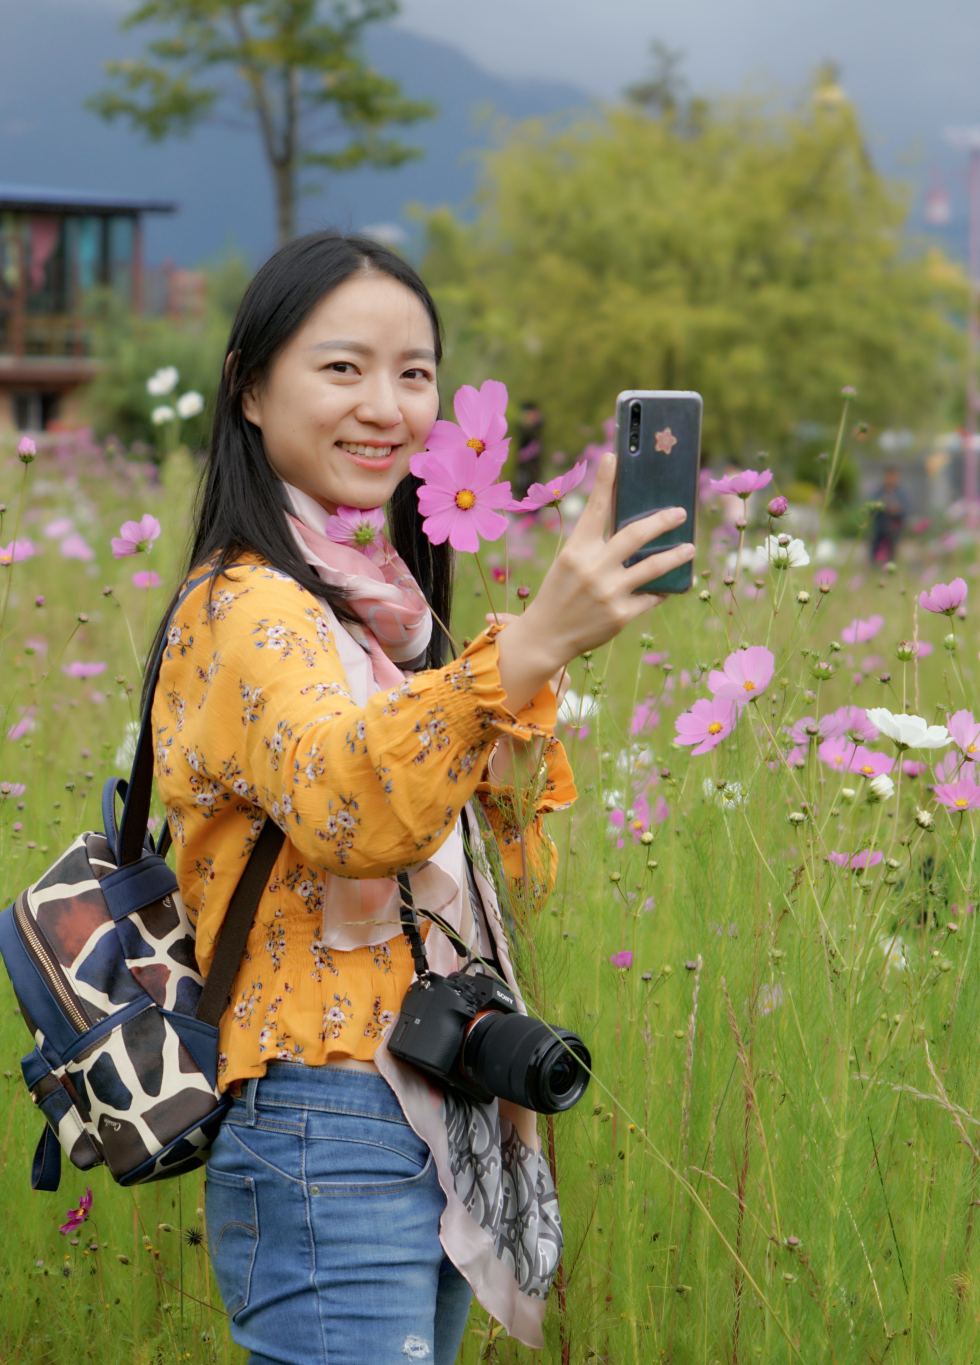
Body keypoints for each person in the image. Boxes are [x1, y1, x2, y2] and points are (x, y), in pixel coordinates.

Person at [146, 230, 695, 1365]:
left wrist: (519, 684)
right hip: (324, 1111)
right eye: (342, 368)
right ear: (250, 388)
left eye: (413, 373)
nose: (385, 408)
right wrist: (530, 644)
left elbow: (523, 869)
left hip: (427, 1096)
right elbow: (353, 814)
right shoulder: (249, 610)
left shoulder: (380, 617)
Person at [868, 467, 906, 564]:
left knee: (892, 550)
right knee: (875, 547)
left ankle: (890, 563)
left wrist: (897, 510)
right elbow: (872, 507)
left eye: (893, 476)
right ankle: (874, 565)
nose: (890, 479)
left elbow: (906, 509)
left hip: (894, 527)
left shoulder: (901, 493)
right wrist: (883, 508)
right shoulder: (878, 492)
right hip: (880, 526)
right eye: (888, 476)